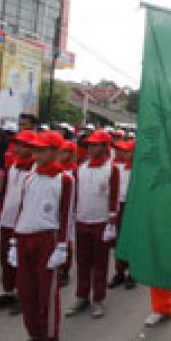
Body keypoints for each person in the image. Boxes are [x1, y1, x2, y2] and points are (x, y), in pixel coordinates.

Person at [7, 130, 73, 341]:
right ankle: (34, 335)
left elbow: (66, 213)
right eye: (35, 149)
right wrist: (14, 241)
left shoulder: (64, 179)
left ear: (55, 152)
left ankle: (50, 337)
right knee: (27, 291)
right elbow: (22, 209)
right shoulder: (30, 178)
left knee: (46, 291)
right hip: (25, 237)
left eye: (42, 150)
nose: (36, 154)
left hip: (47, 238)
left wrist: (62, 246)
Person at [0, 130, 39, 315]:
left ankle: (25, 295)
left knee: (23, 262)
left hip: (24, 223)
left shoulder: (35, 169)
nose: (18, 148)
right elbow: (4, 192)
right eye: (17, 144)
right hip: (7, 219)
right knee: (5, 258)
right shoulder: (13, 166)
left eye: (23, 145)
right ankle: (8, 292)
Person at [67, 130, 120, 319]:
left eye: (95, 144)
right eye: (89, 144)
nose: (90, 148)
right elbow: (75, 195)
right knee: (82, 262)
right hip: (82, 221)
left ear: (106, 147)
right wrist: (72, 219)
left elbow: (113, 196)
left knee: (99, 263)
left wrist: (111, 223)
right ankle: (82, 296)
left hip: (100, 222)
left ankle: (98, 299)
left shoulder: (111, 169)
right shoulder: (81, 167)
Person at [108, 139, 136, 290]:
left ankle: (133, 273)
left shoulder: (138, 170)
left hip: (131, 207)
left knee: (131, 239)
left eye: (126, 150)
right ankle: (119, 271)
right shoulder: (116, 167)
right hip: (118, 206)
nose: (122, 153)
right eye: (119, 149)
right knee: (118, 241)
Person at [57, 140, 78, 287]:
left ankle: (65, 269)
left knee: (67, 239)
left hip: (69, 210)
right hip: (55, 210)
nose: (60, 154)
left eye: (63, 151)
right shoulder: (56, 169)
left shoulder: (74, 170)